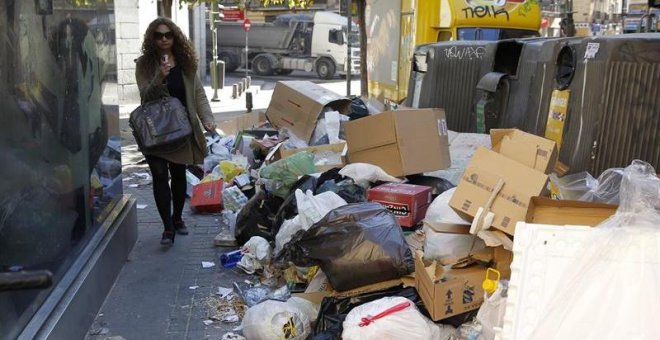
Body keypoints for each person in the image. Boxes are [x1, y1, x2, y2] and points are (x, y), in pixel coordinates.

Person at [135, 17, 216, 245]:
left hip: (180, 130)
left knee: (178, 175)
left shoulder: (185, 62)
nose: (163, 39)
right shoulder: (144, 64)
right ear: (152, 38)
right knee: (160, 175)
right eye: (158, 35)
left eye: (168, 35)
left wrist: (207, 119)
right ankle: (167, 228)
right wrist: (160, 76)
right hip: (154, 131)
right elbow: (145, 96)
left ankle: (177, 217)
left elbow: (198, 94)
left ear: (175, 37)